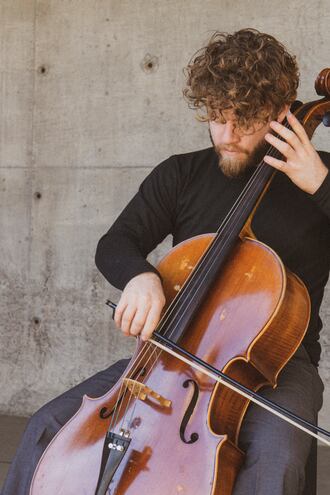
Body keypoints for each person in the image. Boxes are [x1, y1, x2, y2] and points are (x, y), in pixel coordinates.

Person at [2, 28, 330, 495]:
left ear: (281, 113)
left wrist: (320, 184)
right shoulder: (181, 173)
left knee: (274, 460)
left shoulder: (321, 179)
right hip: (171, 356)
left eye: (245, 119)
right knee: (47, 426)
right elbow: (116, 242)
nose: (228, 135)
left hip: (278, 366)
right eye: (217, 118)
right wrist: (139, 276)